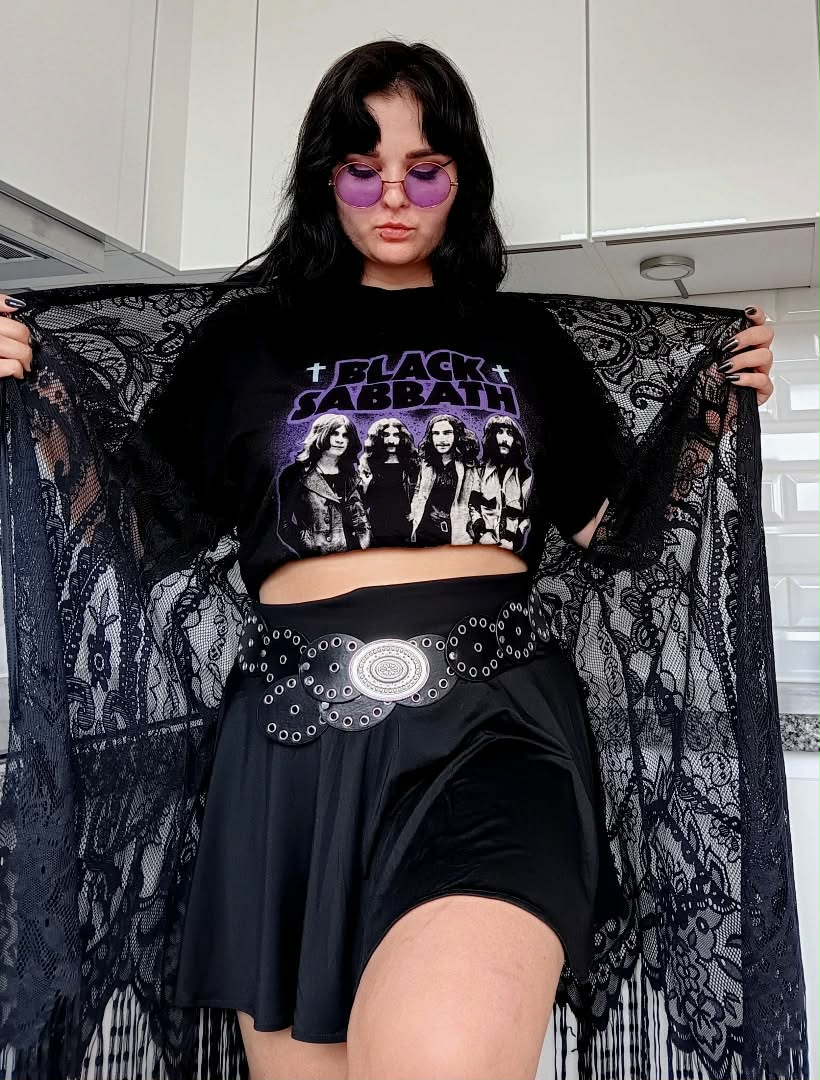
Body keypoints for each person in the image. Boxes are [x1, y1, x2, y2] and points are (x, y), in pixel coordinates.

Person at [0, 37, 790, 1080]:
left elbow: (617, 534)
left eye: (424, 169)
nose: (392, 197)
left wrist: (707, 414)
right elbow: (139, 537)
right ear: (324, 179)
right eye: (361, 167)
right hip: (289, 752)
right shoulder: (246, 341)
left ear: (462, 179)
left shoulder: (523, 340)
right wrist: (44, 401)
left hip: (497, 734)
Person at [277, 412, 371, 554]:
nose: (340, 440)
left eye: (345, 435)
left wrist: (366, 488)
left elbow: (358, 514)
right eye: (334, 434)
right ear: (321, 435)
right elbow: (284, 525)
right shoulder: (295, 474)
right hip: (323, 556)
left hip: (358, 554)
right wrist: (309, 548)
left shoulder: (351, 473)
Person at [409, 412, 480, 544]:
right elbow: (419, 490)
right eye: (436, 433)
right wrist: (414, 511)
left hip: (454, 531)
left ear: (456, 435)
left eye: (447, 433)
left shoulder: (468, 465)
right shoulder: (426, 462)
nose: (441, 439)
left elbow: (473, 498)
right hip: (425, 530)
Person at [469, 413, 533, 550]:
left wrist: (514, 542)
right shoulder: (479, 470)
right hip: (483, 545)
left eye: (509, 433)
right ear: (492, 436)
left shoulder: (524, 474)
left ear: (515, 440)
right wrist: (482, 534)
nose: (504, 439)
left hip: (510, 548)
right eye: (500, 432)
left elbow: (527, 515)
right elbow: (472, 506)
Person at [357, 416, 418, 545]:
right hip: (377, 527)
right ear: (378, 438)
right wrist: (365, 486)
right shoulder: (368, 463)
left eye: (396, 435)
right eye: (386, 435)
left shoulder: (412, 463)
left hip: (405, 526)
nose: (391, 440)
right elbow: (361, 502)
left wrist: (415, 511)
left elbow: (421, 493)